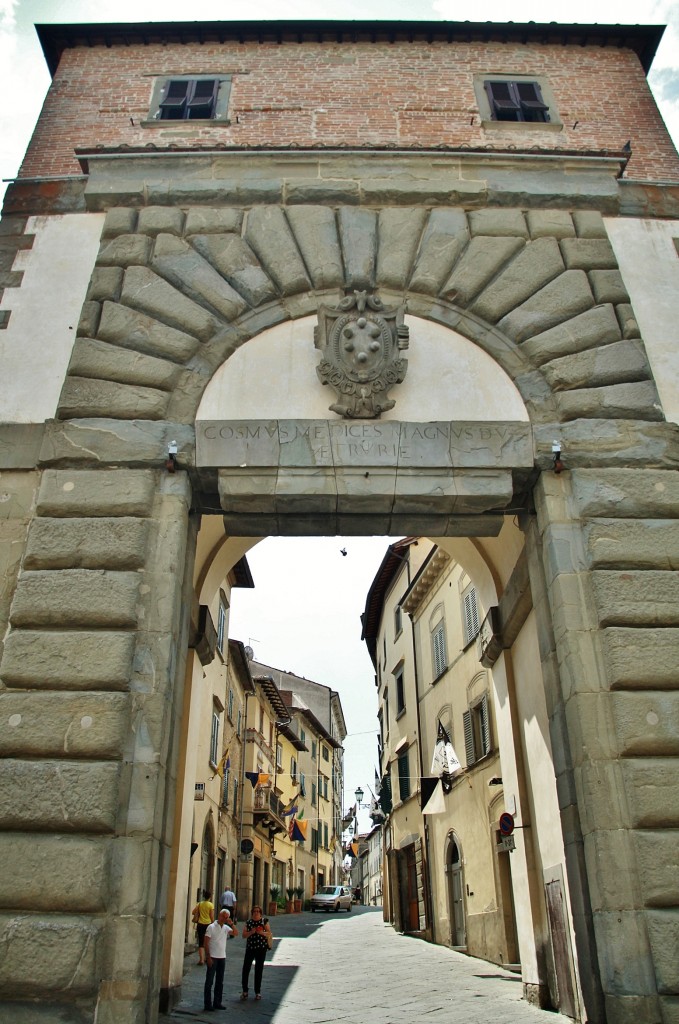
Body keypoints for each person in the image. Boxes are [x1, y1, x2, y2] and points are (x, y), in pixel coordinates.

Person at [204, 909, 238, 1011]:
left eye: (226, 917)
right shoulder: (211, 927)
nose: (224, 918)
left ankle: (217, 1002)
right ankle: (207, 1004)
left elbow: (236, 933)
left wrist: (231, 924)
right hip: (213, 957)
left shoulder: (226, 928)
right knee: (209, 981)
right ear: (219, 915)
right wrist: (208, 957)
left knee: (220, 981)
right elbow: (206, 942)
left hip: (222, 957)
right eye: (223, 916)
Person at [240, 905, 272, 1000]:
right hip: (250, 948)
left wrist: (261, 932)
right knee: (246, 969)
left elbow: (269, 933)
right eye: (255, 911)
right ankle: (245, 990)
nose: (256, 912)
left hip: (261, 949)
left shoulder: (264, 921)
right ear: (252, 912)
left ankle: (257, 991)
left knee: (259, 970)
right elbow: (243, 935)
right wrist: (252, 932)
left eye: (258, 911)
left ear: (260, 913)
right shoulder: (249, 922)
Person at [192, 890, 214, 965]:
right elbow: (211, 916)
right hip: (208, 925)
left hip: (200, 924)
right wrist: (213, 923)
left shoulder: (200, 904)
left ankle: (201, 959)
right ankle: (206, 958)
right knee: (207, 942)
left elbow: (193, 912)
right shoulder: (211, 905)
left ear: (204, 896)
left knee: (201, 942)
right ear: (210, 897)